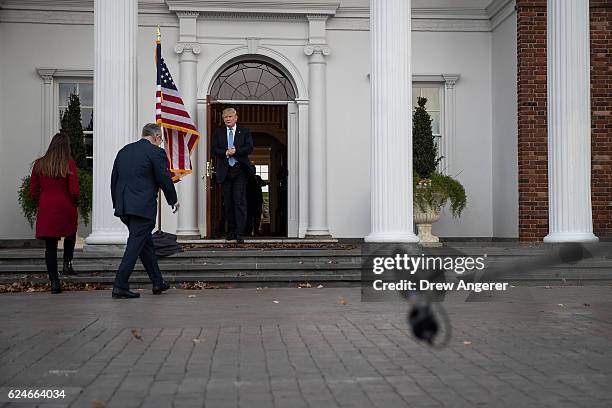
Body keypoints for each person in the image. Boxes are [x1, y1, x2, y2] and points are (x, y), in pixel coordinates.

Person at [110, 123, 179, 299]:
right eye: (160, 140)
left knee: (145, 244)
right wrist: (173, 199)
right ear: (156, 137)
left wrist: (117, 203)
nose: (160, 143)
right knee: (135, 245)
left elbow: (114, 179)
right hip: (142, 207)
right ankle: (120, 285)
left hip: (125, 206)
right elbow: (164, 177)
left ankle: (158, 282)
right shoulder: (156, 152)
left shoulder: (124, 151)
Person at [29, 133, 80, 294]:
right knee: (70, 234)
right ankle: (67, 264)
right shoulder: (69, 164)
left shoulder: (40, 164)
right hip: (65, 205)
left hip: (47, 207)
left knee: (50, 246)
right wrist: (75, 202)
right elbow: (74, 190)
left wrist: (41, 199)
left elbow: (33, 190)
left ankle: (54, 282)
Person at [212, 108, 254, 243]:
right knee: (228, 203)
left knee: (239, 201)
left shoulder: (245, 131)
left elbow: (249, 148)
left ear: (236, 118)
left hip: (240, 170)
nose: (228, 119)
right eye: (225, 117)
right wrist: (226, 153)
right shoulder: (219, 132)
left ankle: (240, 233)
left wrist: (235, 152)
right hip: (225, 171)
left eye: (230, 116)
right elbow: (214, 149)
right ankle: (230, 231)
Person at [246, 165, 267, 237]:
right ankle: (253, 232)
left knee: (252, 217)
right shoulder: (255, 178)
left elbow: (264, 183)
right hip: (253, 200)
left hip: (253, 200)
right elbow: (264, 183)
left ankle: (252, 232)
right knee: (253, 217)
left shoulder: (255, 178)